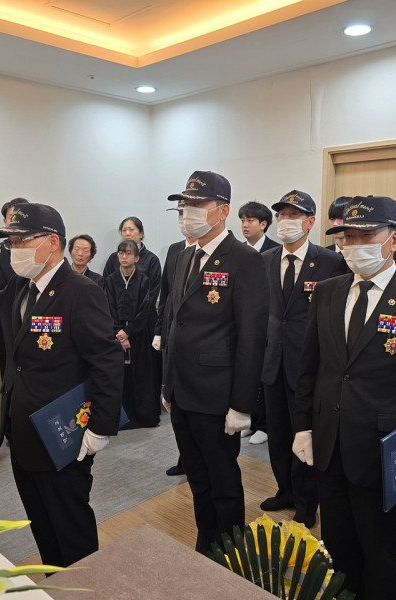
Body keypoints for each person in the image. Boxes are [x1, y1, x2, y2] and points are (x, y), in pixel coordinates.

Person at [292, 195, 396, 600]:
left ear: (394, 240)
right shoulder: (326, 292)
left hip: (383, 455)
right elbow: (310, 367)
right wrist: (303, 426)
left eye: (365, 236)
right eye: (347, 237)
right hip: (329, 445)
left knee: (379, 555)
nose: (353, 245)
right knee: (337, 548)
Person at [0, 203, 123, 567]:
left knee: (70, 524)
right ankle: (57, 583)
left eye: (21, 241)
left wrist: (100, 427)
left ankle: (86, 587)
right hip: (22, 428)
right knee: (42, 521)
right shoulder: (20, 286)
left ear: (52, 241)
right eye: (11, 243)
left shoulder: (80, 291)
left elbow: (107, 361)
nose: (14, 249)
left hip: (62, 431)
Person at [162, 170, 269, 553]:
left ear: (222, 211)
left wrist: (242, 405)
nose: (187, 211)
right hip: (182, 391)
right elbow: (173, 320)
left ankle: (230, 551)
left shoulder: (244, 259)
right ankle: (206, 540)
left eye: (196, 204)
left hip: (217, 395)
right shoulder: (182, 255)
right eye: (184, 205)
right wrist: (167, 385)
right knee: (197, 477)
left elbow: (252, 337)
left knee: (223, 481)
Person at [259, 190, 346, 528]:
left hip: (308, 366)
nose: (285, 221)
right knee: (278, 434)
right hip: (273, 362)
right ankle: (285, 491)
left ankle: (307, 503)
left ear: (310, 222)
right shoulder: (266, 259)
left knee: (304, 436)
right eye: (281, 215)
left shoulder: (330, 262)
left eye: (293, 216)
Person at [154, 204, 197, 477]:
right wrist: (159, 330)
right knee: (175, 403)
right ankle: (184, 459)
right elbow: (166, 293)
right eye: (180, 215)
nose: (183, 220)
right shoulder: (174, 250)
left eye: (186, 213)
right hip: (171, 335)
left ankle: (194, 461)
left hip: (196, 344)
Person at [105, 240, 160, 428]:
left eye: (128, 253)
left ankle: (142, 417)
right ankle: (122, 419)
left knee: (141, 375)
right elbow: (109, 307)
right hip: (117, 336)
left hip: (140, 334)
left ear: (137, 258)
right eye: (121, 253)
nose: (124, 257)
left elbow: (146, 308)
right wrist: (118, 333)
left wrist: (128, 332)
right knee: (120, 377)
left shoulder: (144, 280)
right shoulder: (110, 280)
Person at [238, 200, 279, 445]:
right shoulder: (239, 251)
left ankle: (264, 424)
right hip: (245, 320)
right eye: (242, 220)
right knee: (247, 372)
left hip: (269, 320)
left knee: (265, 375)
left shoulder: (275, 250)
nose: (245, 225)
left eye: (250, 220)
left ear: (263, 224)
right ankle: (251, 420)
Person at [0, 197, 29, 378]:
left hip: (42, 329)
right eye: (11, 218)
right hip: (9, 331)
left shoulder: (43, 250)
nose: (16, 222)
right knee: (10, 384)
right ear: (5, 222)